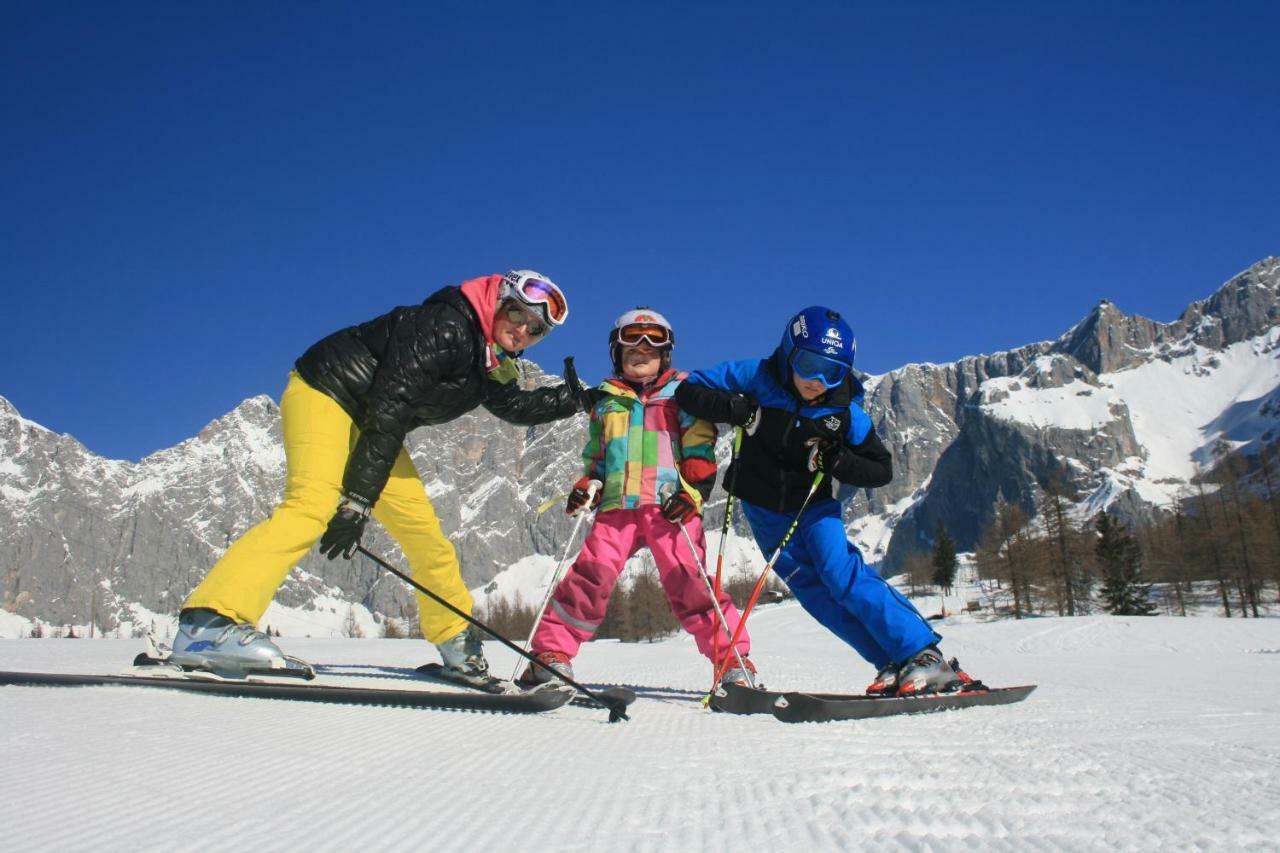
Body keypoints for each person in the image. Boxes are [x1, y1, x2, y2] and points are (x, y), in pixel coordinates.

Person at [167, 270, 589, 686]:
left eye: (536, 330)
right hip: (327, 391)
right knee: (309, 507)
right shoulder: (444, 326)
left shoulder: (489, 361)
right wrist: (356, 503)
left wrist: (573, 399)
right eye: (518, 315)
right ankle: (208, 626)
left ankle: (456, 643)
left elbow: (512, 405)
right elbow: (393, 406)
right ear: (497, 300)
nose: (523, 331)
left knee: (426, 536)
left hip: (371, 426)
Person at [674, 306, 978, 696]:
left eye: (832, 371)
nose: (817, 381)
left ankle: (921, 654)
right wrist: (738, 408)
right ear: (788, 352)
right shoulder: (755, 377)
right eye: (808, 364)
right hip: (763, 511)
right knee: (814, 593)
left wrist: (839, 459)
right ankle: (889, 661)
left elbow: (880, 469)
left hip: (813, 508)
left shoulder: (846, 414)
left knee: (840, 572)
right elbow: (690, 390)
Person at [519, 308, 757, 688]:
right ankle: (551, 654)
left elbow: (699, 449)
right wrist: (588, 485)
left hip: (670, 509)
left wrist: (691, 493)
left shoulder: (684, 393)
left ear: (666, 352)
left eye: (652, 343)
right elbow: (597, 456)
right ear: (617, 353)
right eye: (631, 343)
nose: (641, 350)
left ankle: (732, 664)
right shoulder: (606, 400)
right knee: (589, 578)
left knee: (691, 583)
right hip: (617, 508)